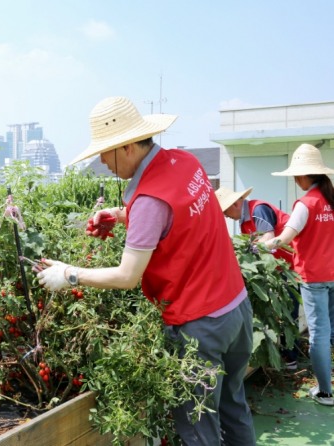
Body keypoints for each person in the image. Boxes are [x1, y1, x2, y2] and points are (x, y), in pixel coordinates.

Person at [37, 96, 256, 445]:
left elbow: (127, 276)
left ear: (125, 147)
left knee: (199, 429)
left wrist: (69, 274)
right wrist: (121, 213)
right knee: (233, 408)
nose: (102, 162)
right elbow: (178, 216)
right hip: (237, 309)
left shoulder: (150, 197)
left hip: (202, 326)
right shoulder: (185, 161)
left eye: (105, 153)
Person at [262, 143, 334, 406]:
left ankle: (325, 393)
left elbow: (283, 238)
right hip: (333, 274)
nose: (295, 179)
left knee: (319, 335)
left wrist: (261, 244)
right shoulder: (331, 199)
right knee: (332, 332)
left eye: (296, 175)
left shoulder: (306, 204)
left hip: (314, 278)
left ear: (305, 175)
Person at [215, 186, 300, 370]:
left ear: (236, 204)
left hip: (290, 267)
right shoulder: (244, 220)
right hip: (276, 269)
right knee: (281, 311)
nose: (225, 216)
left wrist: (245, 251)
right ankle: (287, 353)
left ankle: (291, 359)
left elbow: (268, 240)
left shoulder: (258, 210)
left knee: (288, 311)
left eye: (225, 211)